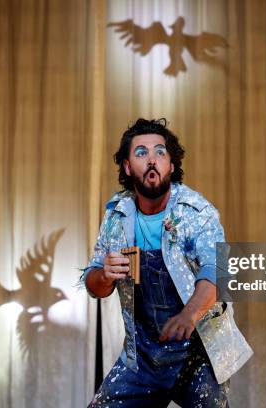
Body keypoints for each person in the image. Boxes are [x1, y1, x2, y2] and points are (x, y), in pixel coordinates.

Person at [81, 118, 253, 407]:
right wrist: (104, 275)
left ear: (171, 166)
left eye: (160, 152)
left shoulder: (197, 211)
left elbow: (217, 269)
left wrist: (189, 315)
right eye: (141, 153)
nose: (152, 160)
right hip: (144, 360)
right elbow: (94, 284)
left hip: (200, 356)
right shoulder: (117, 215)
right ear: (126, 167)